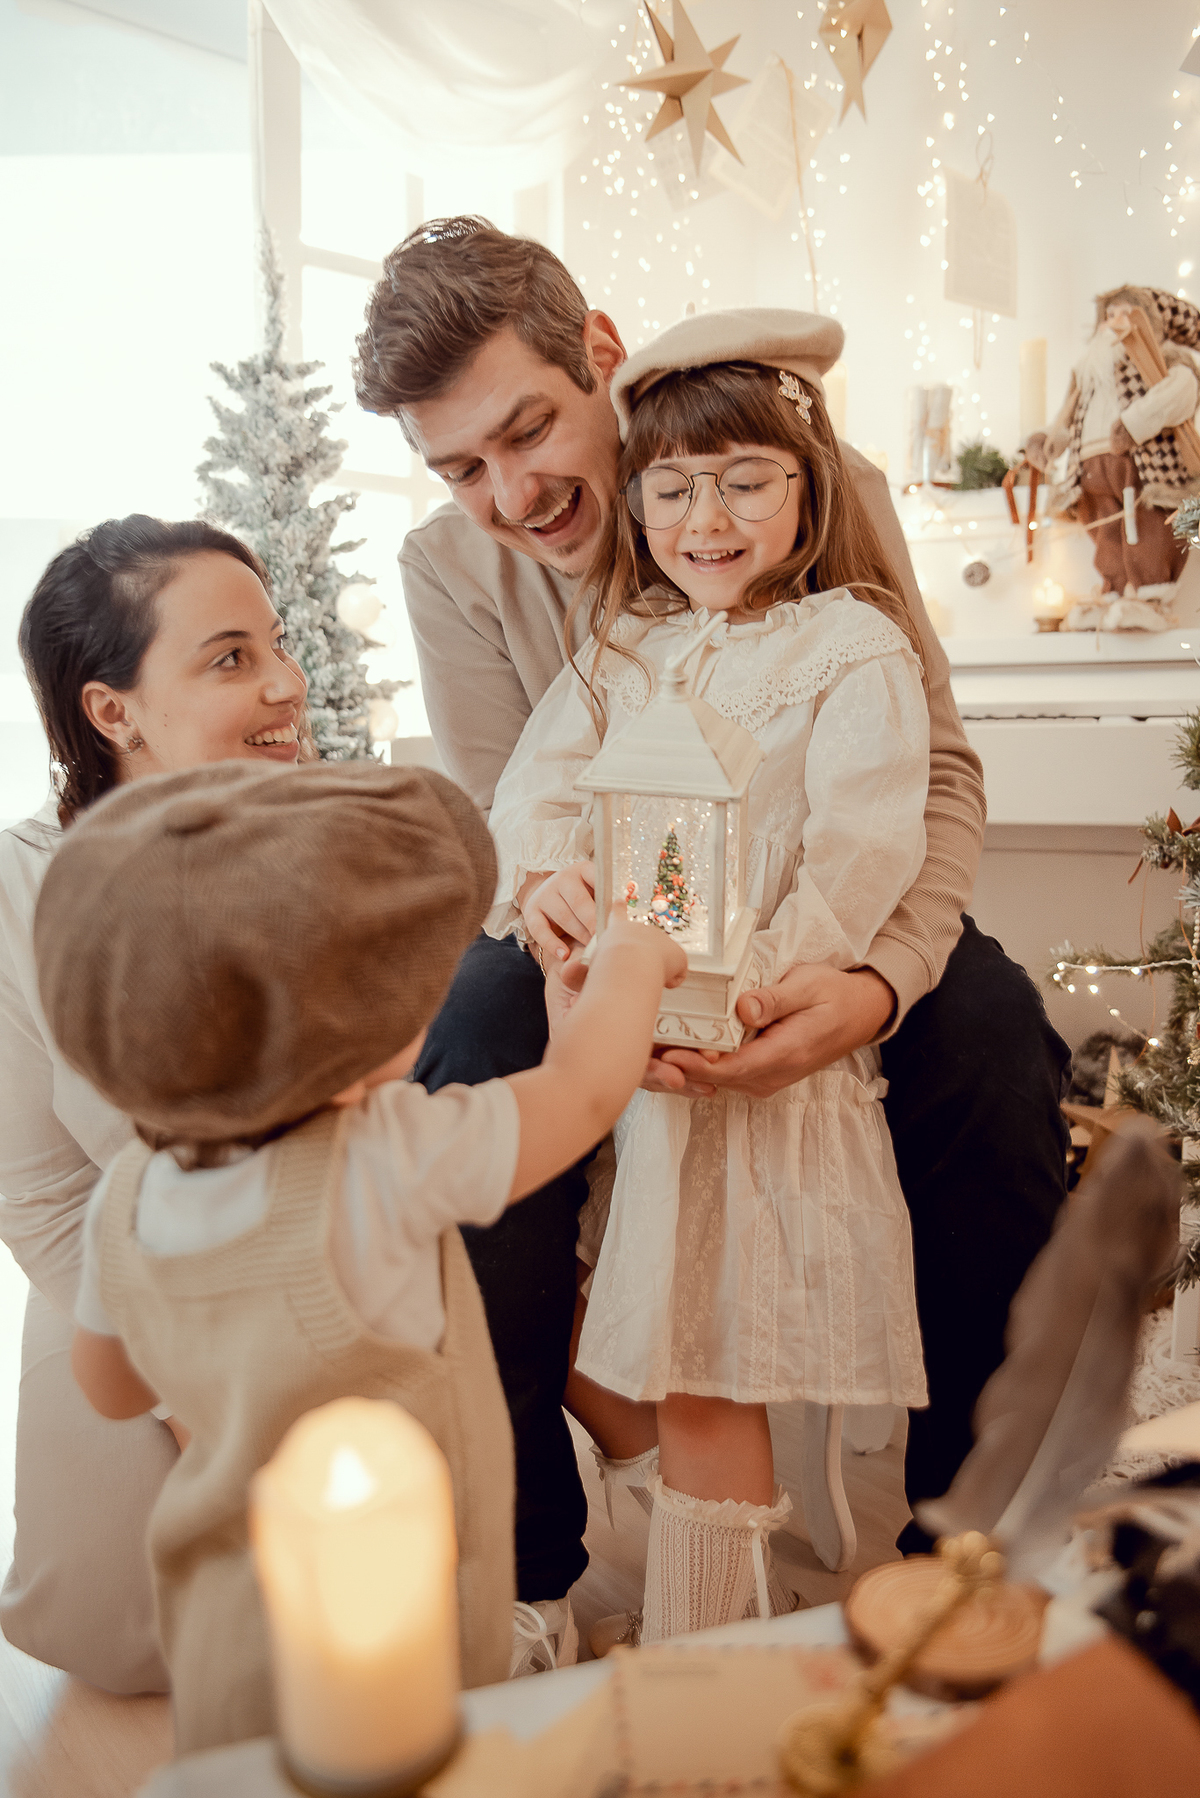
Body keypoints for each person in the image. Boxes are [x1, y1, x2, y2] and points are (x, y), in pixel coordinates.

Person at [354, 221, 1069, 1636]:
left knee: (989, 1041)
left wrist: (874, 980)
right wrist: (551, 904)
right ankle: (521, 1575)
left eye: (529, 429)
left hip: (822, 889)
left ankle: (966, 1542)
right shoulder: (454, 566)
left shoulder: (814, 484)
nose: (510, 492)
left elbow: (928, 772)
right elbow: (515, 799)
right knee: (467, 1057)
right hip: (600, 922)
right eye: (461, 468)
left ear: (601, 362)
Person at [41, 757, 682, 1752]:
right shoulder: (391, 1161)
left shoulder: (127, 1199)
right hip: (406, 1619)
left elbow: (113, 1385)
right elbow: (588, 1091)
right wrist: (639, 952)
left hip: (225, 1618)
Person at [485, 320, 931, 1642]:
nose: (708, 517)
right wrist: (552, 885)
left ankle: (718, 1666)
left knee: (722, 1368)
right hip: (646, 1070)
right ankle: (709, 1658)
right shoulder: (626, 646)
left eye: (744, 480)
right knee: (687, 1373)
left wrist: (755, 990)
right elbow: (539, 796)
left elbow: (860, 847)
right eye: (674, 489)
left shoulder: (854, 647)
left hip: (761, 1060)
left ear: (807, 490)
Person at [0, 515, 308, 1691]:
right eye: (231, 657)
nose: (285, 683)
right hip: (119, 1300)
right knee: (130, 1642)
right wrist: (201, 1416)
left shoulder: (334, 850)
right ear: (111, 710)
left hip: (341, 1270)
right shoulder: (18, 890)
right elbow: (37, 1199)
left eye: (274, 644)